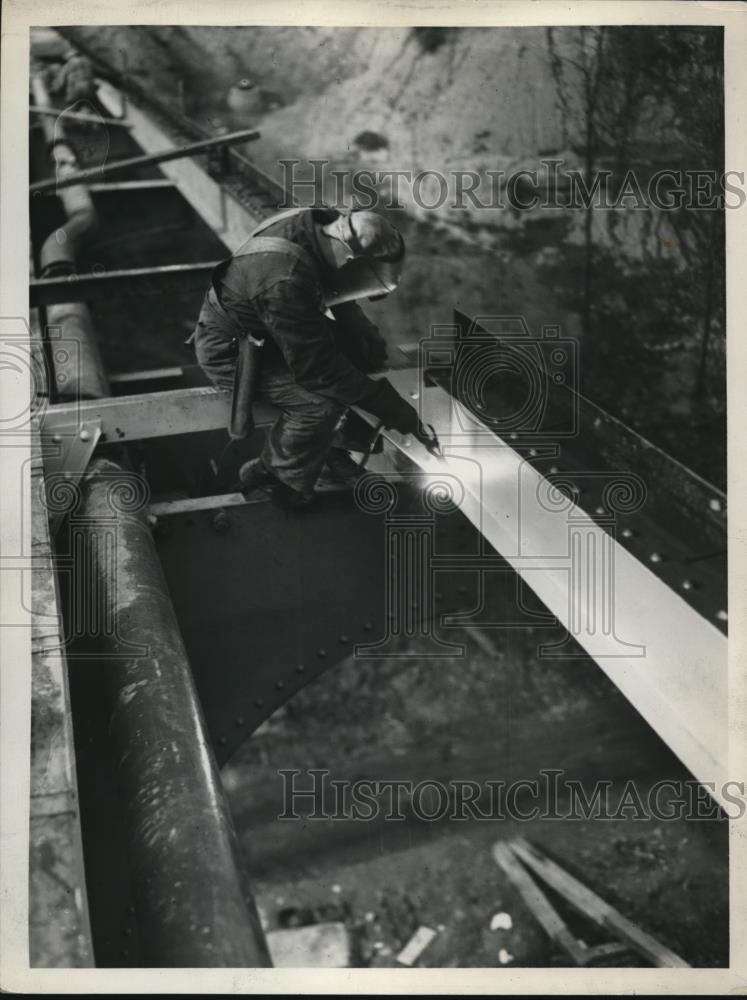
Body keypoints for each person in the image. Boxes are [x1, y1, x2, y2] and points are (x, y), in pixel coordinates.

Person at [192, 206, 428, 509]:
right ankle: (274, 476)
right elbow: (318, 371)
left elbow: (325, 279)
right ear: (350, 259)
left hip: (270, 328)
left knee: (359, 354)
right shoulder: (284, 280)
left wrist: (359, 327)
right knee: (319, 405)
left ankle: (329, 452)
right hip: (232, 351)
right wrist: (387, 403)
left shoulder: (320, 225)